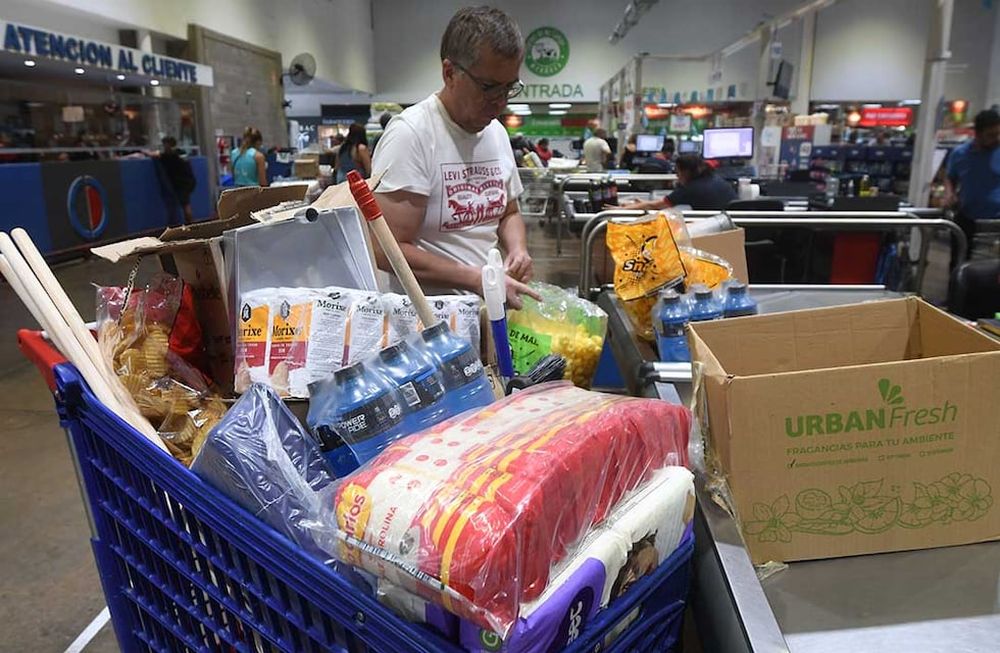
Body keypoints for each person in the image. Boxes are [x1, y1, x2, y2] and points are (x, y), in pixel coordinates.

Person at [371, 6, 539, 308]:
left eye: (509, 88)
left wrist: (518, 249)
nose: (500, 102)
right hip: (427, 322)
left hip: (488, 310)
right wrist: (475, 278)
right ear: (450, 73)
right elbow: (386, 249)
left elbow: (509, 212)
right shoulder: (413, 134)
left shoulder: (496, 133)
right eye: (489, 87)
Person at [945, 109, 1000, 264]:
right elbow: (950, 177)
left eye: (998, 134)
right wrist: (950, 193)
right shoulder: (960, 154)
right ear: (977, 134)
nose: (997, 138)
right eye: (991, 135)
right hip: (968, 217)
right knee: (959, 264)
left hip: (997, 221)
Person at [625, 154, 736, 211]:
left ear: (686, 172)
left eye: (678, 171)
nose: (677, 175)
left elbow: (655, 206)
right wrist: (642, 203)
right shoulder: (715, 178)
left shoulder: (690, 188)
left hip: (714, 231)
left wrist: (620, 209)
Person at [157, 136, 196, 225]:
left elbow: (158, 155)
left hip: (181, 183)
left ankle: (190, 223)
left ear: (168, 145)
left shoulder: (170, 156)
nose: (164, 147)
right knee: (185, 203)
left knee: (185, 204)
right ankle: (189, 223)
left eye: (165, 145)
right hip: (189, 181)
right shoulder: (182, 153)